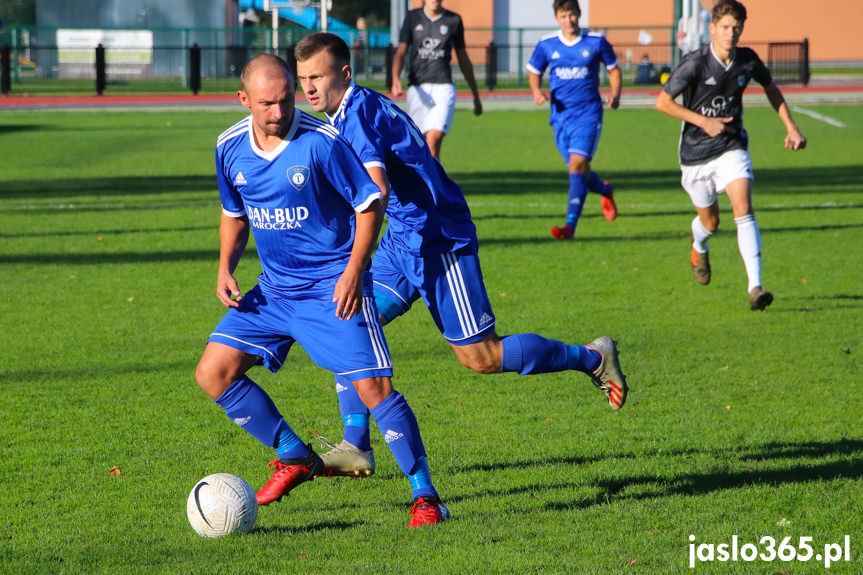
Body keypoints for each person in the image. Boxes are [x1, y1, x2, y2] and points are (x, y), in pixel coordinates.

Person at [295, 33, 628, 478]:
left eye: (317, 75)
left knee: (481, 357)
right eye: (303, 79)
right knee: (349, 323)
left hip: (438, 239)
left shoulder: (356, 116)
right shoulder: (349, 109)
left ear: (344, 73)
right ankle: (356, 444)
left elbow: (375, 189)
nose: (309, 87)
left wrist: (351, 256)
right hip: (404, 239)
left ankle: (593, 357)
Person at [194, 54, 448, 528]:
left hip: (332, 288)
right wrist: (225, 267)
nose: (278, 112)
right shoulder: (229, 147)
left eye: (285, 100)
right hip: (273, 292)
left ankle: (426, 495)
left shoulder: (321, 142)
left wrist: (355, 270)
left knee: (374, 388)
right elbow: (234, 213)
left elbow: (370, 203)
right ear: (243, 99)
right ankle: (294, 455)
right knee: (213, 373)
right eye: (266, 103)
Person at [655, 0, 806, 310]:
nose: (731, 33)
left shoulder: (747, 61)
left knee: (744, 206)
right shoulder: (694, 63)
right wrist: (702, 121)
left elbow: (771, 88)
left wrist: (791, 127)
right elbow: (662, 102)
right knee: (710, 223)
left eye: (736, 28)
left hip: (731, 146)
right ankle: (698, 245)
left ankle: (755, 287)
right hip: (695, 153)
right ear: (712, 28)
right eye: (725, 27)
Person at [528, 0, 621, 240]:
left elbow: (613, 69)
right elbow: (535, 72)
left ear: (579, 15)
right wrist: (537, 92)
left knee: (576, 165)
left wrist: (616, 94)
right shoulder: (547, 44)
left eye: (573, 15)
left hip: (588, 114)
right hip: (560, 118)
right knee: (578, 169)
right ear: (557, 18)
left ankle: (569, 226)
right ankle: (604, 190)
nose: (569, 20)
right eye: (564, 15)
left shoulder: (596, 41)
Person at [391, 0, 482, 159]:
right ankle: (431, 183)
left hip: (443, 86)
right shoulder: (412, 17)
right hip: (417, 88)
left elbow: (463, 57)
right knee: (421, 147)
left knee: (432, 142)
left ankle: (432, 183)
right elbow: (400, 52)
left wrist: (475, 94)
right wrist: (395, 80)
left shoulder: (454, 20)